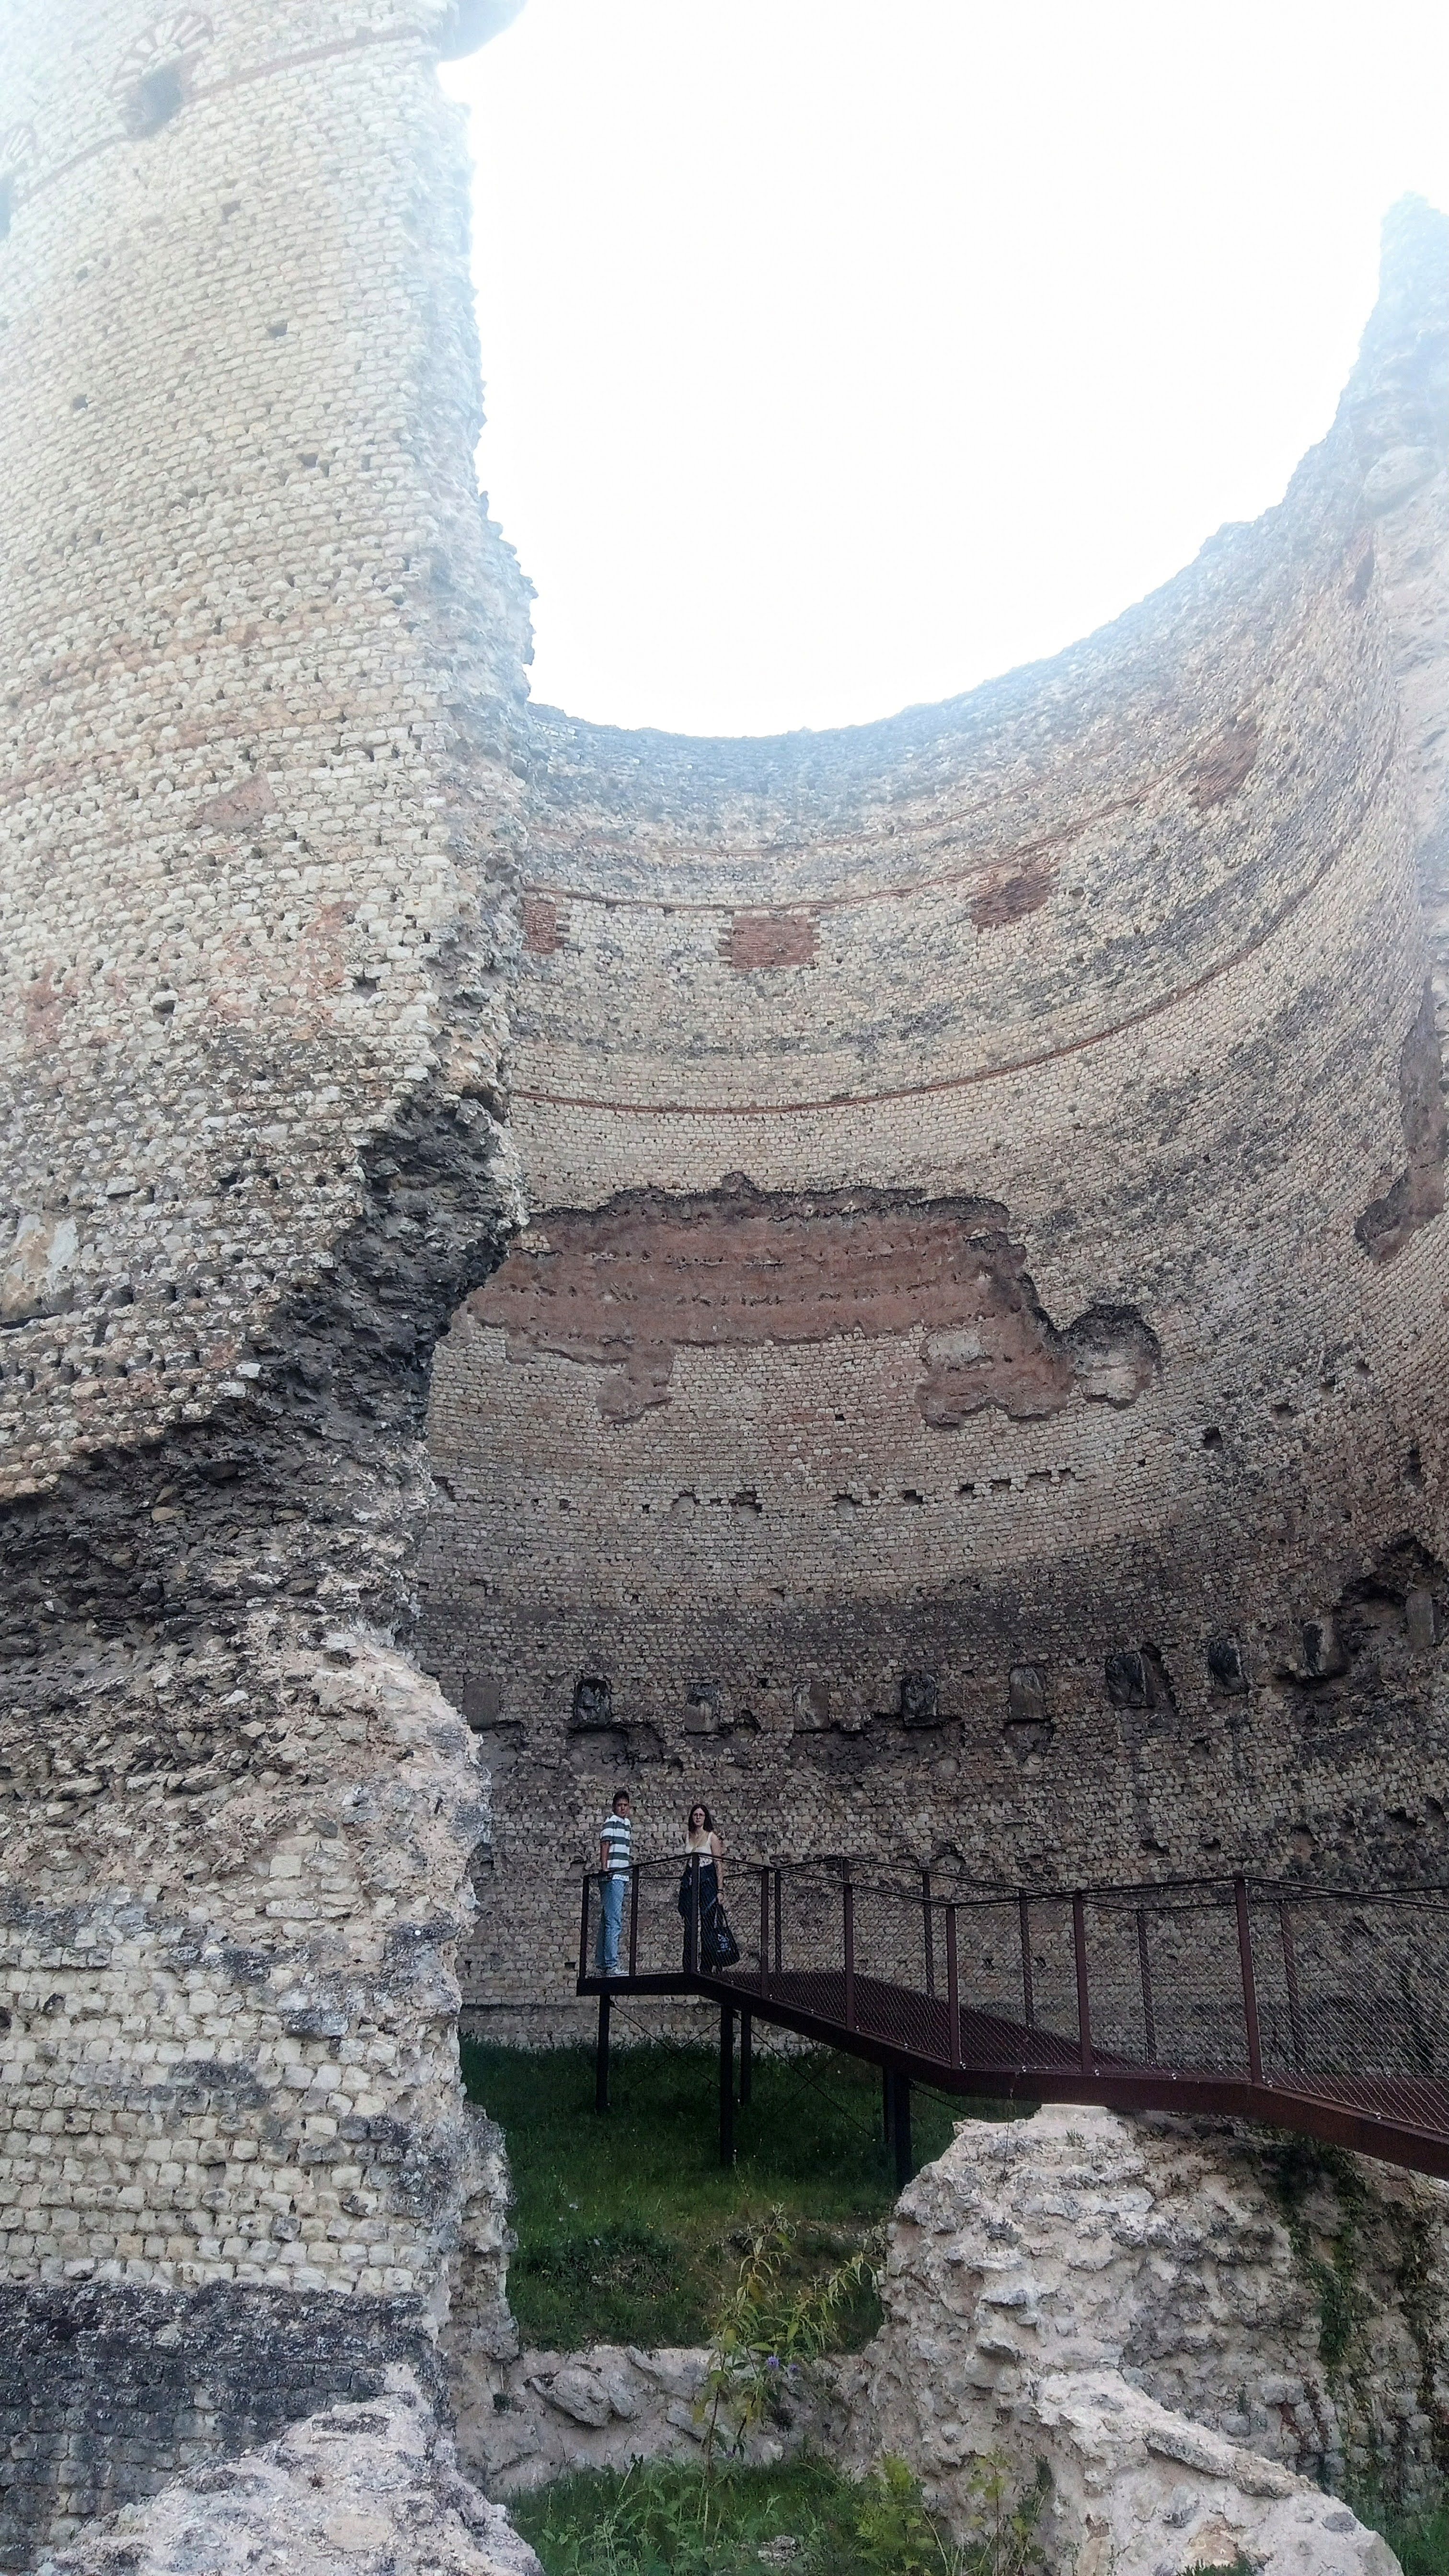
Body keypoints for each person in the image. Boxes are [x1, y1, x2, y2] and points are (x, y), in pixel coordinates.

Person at [677, 1801, 724, 1967]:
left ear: (705, 1818)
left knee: (707, 1925)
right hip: (691, 1880)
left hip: (707, 1881)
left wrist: (720, 1890)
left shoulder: (712, 1838)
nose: (698, 1817)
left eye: (701, 1815)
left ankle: (706, 1966)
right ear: (692, 1817)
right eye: (695, 1815)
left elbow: (719, 1864)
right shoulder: (686, 1836)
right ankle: (689, 1966)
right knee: (690, 1926)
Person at [595, 1788, 632, 1977]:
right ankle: (611, 1964)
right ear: (614, 1807)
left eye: (625, 1805)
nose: (623, 1808)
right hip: (613, 1876)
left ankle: (603, 1963)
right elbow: (605, 1844)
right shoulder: (611, 1822)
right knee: (614, 1921)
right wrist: (605, 1869)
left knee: (608, 1919)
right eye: (620, 1805)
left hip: (622, 1875)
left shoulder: (627, 1824)